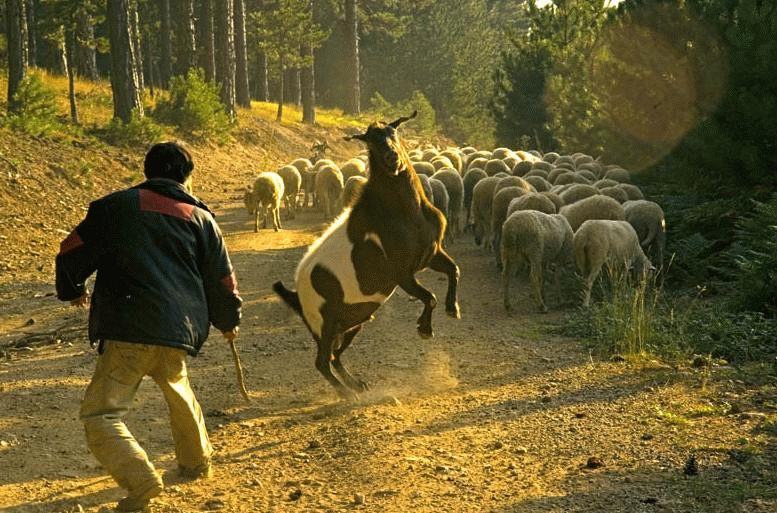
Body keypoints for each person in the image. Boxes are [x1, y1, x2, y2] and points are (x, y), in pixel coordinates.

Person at [55, 142, 242, 512]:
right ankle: (196, 462)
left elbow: (71, 249)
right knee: (177, 389)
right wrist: (228, 320)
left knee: (101, 413)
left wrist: (73, 288)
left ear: (147, 170)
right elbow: (223, 280)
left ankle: (141, 480)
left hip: (127, 328)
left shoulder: (115, 207)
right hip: (178, 331)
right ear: (187, 176)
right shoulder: (202, 218)